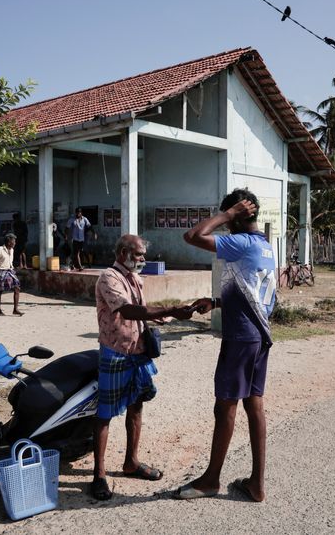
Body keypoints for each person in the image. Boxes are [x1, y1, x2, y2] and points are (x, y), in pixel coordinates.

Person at [175, 188, 276, 502]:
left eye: (230, 218)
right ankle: (257, 483)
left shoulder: (240, 242)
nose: (226, 225)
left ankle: (211, 480)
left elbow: (191, 236)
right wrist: (218, 302)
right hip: (260, 336)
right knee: (254, 405)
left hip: (241, 337)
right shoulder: (264, 246)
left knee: (225, 407)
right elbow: (254, 291)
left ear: (238, 216)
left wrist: (226, 214)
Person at [91, 234, 195, 500]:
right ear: (124, 252)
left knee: (137, 407)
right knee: (105, 413)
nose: (142, 259)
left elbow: (141, 312)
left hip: (137, 353)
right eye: (139, 254)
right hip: (115, 352)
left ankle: (131, 463)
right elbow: (127, 311)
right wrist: (168, 309)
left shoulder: (135, 278)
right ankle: (99, 474)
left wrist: (172, 314)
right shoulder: (109, 278)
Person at [0, 233, 23, 316]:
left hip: (10, 271)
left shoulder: (12, 250)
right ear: (9, 242)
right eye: (13, 241)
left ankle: (15, 309)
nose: (15, 243)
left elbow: (10, 261)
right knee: (0, 291)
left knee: (17, 287)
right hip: (1, 271)